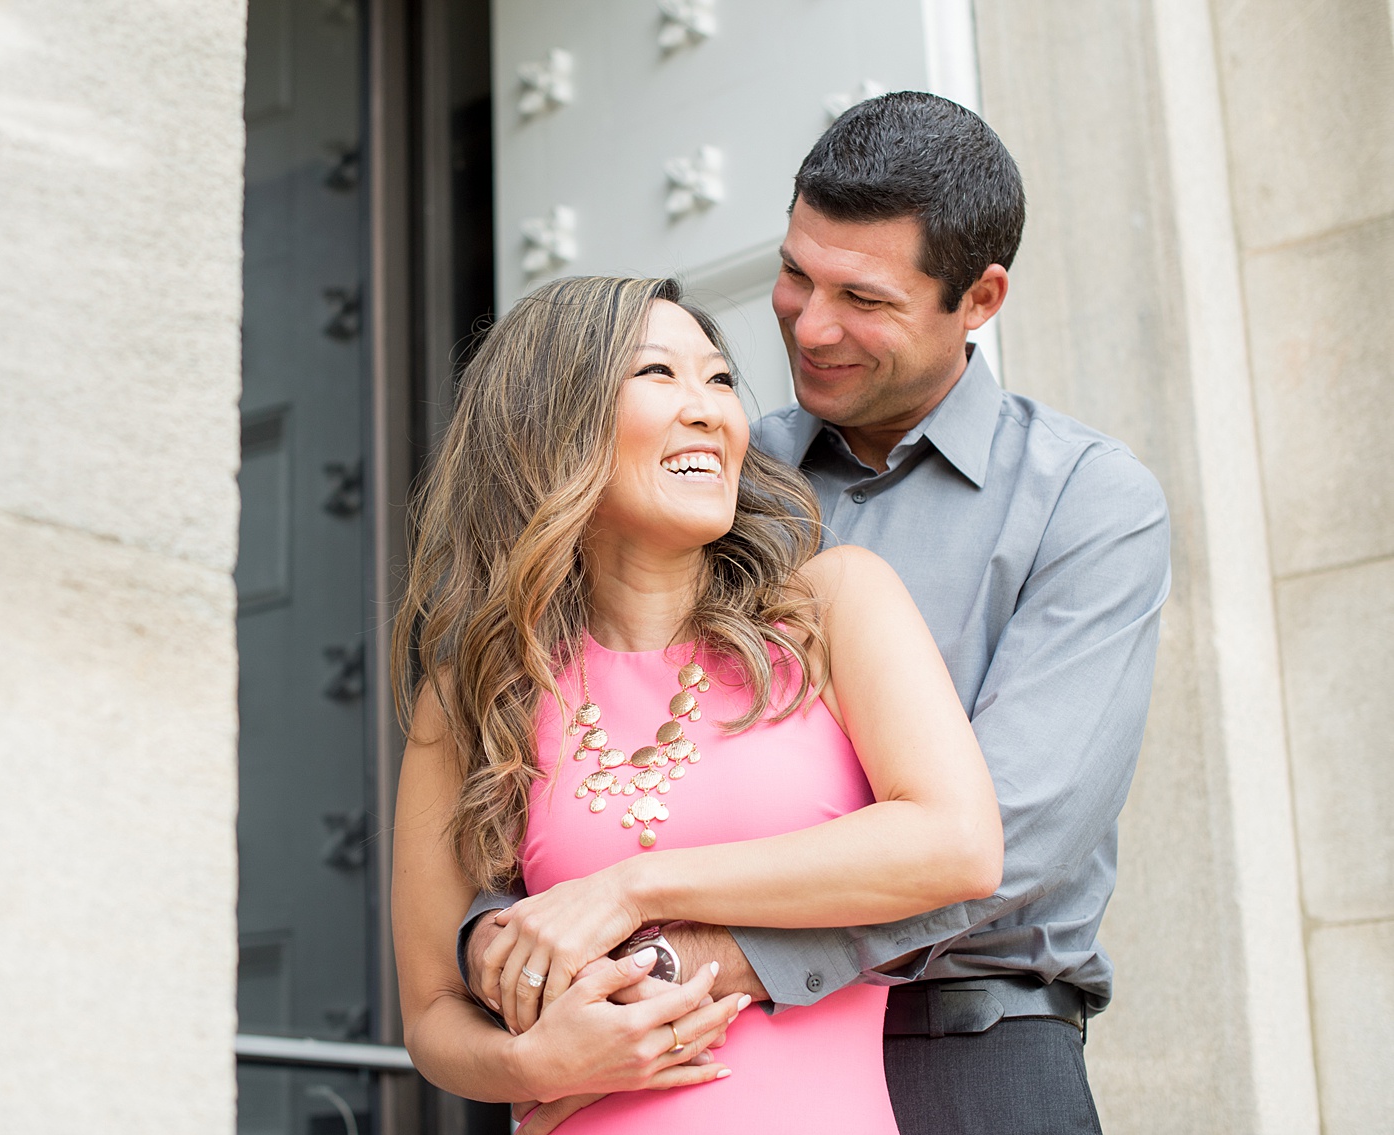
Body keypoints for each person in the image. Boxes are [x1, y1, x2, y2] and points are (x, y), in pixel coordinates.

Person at [460, 92, 1171, 1135]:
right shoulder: (712, 471)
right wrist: (500, 945)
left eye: (864, 299)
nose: (810, 322)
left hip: (965, 1047)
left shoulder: (1085, 501)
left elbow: (1012, 835)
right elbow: (557, 736)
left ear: (978, 298)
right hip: (681, 1057)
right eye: (795, 273)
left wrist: (703, 960)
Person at [390, 273, 1005, 1133]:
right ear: (552, 426)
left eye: (719, 380)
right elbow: (430, 1014)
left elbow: (958, 842)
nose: (711, 409)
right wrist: (529, 1062)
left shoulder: (831, 608)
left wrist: (632, 888)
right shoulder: (472, 692)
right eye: (659, 375)